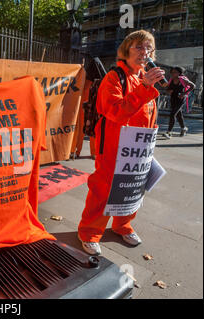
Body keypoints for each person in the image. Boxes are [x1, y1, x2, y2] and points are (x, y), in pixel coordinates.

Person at [77, 30, 165, 255]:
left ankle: (122, 225)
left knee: (133, 189)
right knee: (103, 189)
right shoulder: (115, 77)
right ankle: (89, 232)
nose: (144, 52)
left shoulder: (145, 78)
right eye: (139, 47)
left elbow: (148, 115)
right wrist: (145, 88)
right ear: (126, 50)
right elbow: (115, 112)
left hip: (137, 150)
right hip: (113, 146)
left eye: (148, 48)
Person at [163, 66, 195, 139]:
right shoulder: (171, 80)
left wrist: (184, 93)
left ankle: (169, 132)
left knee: (172, 114)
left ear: (179, 73)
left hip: (181, 99)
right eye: (172, 72)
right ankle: (183, 128)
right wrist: (168, 91)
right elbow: (167, 90)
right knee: (178, 115)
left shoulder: (182, 79)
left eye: (175, 72)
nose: (173, 74)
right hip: (173, 98)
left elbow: (193, 86)